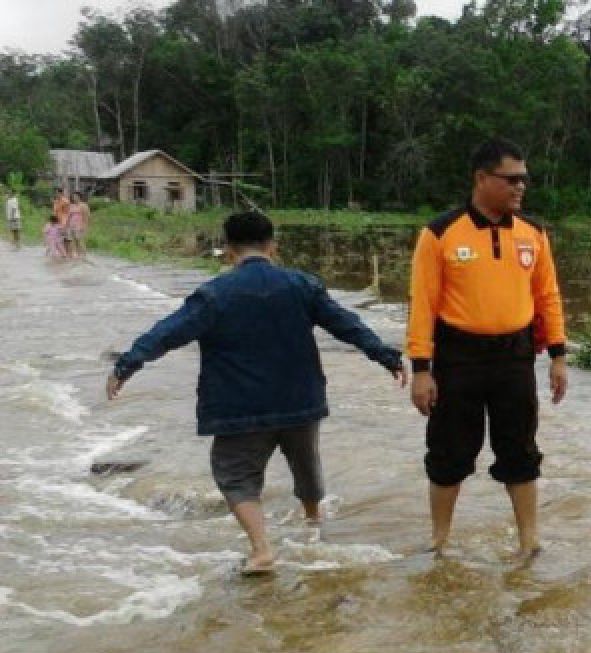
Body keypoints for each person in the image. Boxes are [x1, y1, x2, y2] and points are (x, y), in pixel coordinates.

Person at [107, 211, 407, 574]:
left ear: (229, 250)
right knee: (306, 464)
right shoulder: (302, 285)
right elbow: (347, 325)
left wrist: (127, 364)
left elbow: (168, 333)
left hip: (238, 406)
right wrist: (386, 356)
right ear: (272, 246)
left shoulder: (214, 295)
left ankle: (262, 548)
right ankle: (313, 525)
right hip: (300, 399)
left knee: (235, 476)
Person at [407, 137, 568, 560]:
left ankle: (529, 540)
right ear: (481, 178)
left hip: (514, 357)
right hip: (457, 357)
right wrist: (420, 369)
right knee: (448, 451)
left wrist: (558, 355)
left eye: (524, 180)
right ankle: (438, 540)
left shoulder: (533, 233)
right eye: (511, 179)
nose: (520, 188)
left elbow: (548, 296)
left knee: (520, 449)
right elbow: (422, 304)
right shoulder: (440, 233)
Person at [64, 191, 91, 260]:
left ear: (79, 197)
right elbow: (69, 216)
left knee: (80, 240)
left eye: (76, 196)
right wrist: (66, 225)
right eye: (73, 196)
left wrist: (84, 226)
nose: (74, 198)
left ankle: (84, 255)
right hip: (71, 225)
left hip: (79, 226)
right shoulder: (72, 206)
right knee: (74, 241)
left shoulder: (83, 205)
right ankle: (78, 255)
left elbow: (86, 216)